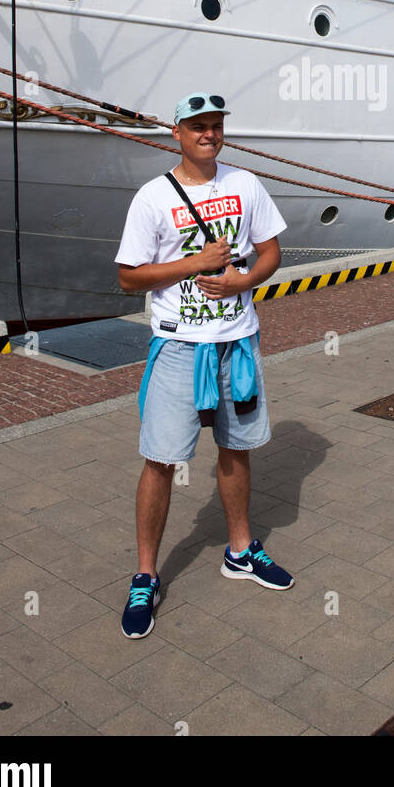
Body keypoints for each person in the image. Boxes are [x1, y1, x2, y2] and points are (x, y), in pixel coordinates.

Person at [115, 92, 293, 638]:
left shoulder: (245, 185)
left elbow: (270, 251)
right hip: (179, 346)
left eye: (216, 126)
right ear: (177, 132)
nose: (209, 135)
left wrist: (244, 281)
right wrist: (196, 262)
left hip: (237, 341)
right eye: (198, 127)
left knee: (236, 450)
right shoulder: (151, 197)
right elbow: (127, 277)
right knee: (160, 459)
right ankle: (145, 574)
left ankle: (240, 550)